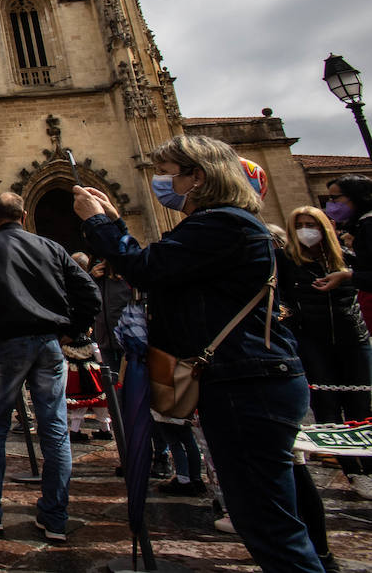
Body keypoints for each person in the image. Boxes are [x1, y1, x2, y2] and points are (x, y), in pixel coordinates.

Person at [74, 134, 322, 572]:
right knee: (275, 511)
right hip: (249, 379)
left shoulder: (223, 225)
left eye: (168, 172)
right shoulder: (225, 224)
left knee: (267, 523)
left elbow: (148, 269)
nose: (160, 180)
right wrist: (116, 223)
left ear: (198, 177)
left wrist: (99, 224)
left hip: (247, 383)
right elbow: (165, 269)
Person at [0, 192, 99, 543]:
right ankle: (55, 518)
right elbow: (90, 293)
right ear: (24, 215)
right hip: (49, 345)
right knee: (54, 429)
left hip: (6, 346)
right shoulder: (52, 248)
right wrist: (71, 331)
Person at [279, 204, 372, 499]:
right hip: (313, 341)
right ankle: (354, 472)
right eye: (300, 225)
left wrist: (346, 277)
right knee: (327, 407)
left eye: (312, 224)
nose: (307, 230)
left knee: (362, 407)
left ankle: (368, 466)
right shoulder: (287, 261)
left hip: (354, 337)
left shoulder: (345, 259)